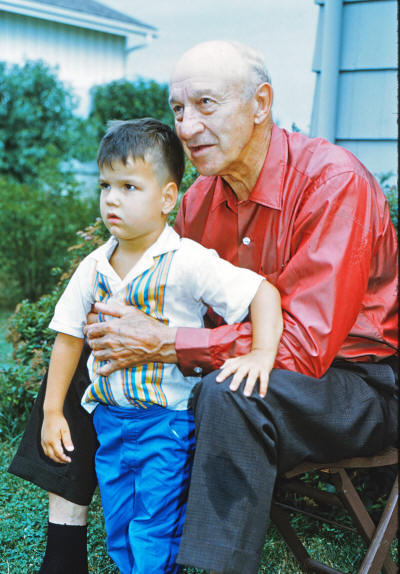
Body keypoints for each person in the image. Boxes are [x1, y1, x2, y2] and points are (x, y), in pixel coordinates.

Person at [9, 40, 398, 574]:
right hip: (246, 362)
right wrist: (118, 329)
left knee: (231, 392)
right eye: (178, 109)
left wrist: (168, 343)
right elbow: (160, 311)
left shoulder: (334, 185)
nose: (187, 128)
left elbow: (304, 349)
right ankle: (63, 556)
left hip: (358, 383)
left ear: (261, 104)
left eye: (206, 105)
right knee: (95, 342)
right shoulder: (197, 201)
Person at [37, 117, 283, 574]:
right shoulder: (94, 267)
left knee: (154, 526)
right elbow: (69, 335)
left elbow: (261, 293)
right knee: (121, 524)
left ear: (168, 197)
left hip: (165, 425)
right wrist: (54, 411)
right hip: (110, 423)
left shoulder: (187, 261)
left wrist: (262, 353)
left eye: (130, 186)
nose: (112, 197)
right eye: (106, 184)